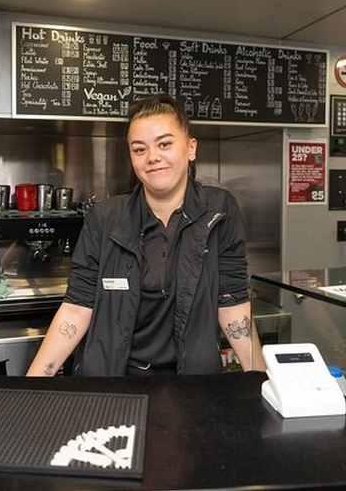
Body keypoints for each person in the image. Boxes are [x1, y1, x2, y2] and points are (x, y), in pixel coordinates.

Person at [27, 94, 266, 377]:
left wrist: (262, 383)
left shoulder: (220, 210)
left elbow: (233, 304)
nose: (152, 157)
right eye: (139, 149)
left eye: (164, 144)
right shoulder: (105, 218)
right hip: (113, 383)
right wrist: (34, 386)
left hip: (194, 385)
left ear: (191, 148)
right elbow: (77, 308)